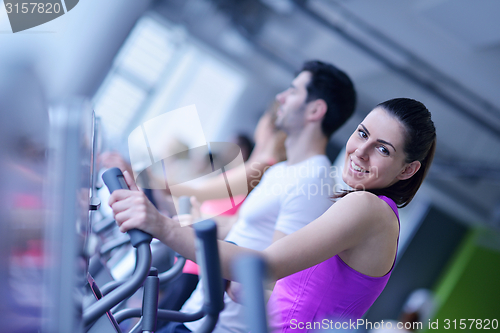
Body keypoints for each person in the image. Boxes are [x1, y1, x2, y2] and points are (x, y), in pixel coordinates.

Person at [109, 97, 436, 332]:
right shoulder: (364, 210)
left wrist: (161, 226)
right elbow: (294, 286)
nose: (360, 151)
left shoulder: (367, 208)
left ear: (408, 170)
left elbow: (264, 267)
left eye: (383, 149)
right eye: (362, 134)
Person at [110, 60, 357, 333]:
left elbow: (272, 275)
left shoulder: (314, 179)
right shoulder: (284, 170)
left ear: (315, 109)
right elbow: (235, 225)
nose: (281, 98)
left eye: (293, 91)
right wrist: (190, 220)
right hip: (196, 314)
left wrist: (164, 224)